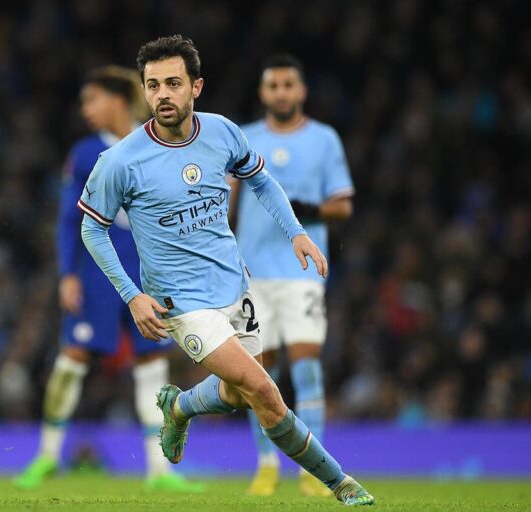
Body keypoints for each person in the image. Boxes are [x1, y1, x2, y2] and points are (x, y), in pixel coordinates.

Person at [77, 35, 374, 506]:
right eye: (153, 85)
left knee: (237, 396)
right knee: (262, 390)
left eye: (173, 83)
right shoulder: (119, 162)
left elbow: (260, 179)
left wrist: (296, 231)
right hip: (180, 302)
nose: (162, 95)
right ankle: (341, 483)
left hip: (236, 285)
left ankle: (178, 406)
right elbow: (91, 231)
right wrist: (132, 294)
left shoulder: (223, 132)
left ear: (196, 86)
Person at [14, 66, 202, 493]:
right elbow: (68, 217)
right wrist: (67, 274)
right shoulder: (83, 153)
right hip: (98, 274)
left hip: (149, 274)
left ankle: (159, 471)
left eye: (92, 100)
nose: (86, 110)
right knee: (71, 360)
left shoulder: (159, 141)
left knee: (151, 368)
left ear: (117, 100)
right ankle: (46, 457)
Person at [229, 54, 355, 497]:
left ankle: (309, 471)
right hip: (250, 274)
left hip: (302, 273)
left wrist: (311, 211)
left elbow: (343, 203)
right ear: (263, 93)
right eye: (273, 86)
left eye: (289, 85)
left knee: (305, 366)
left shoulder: (324, 139)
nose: (281, 92)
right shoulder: (244, 137)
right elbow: (226, 199)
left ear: (301, 92)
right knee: (255, 372)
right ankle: (265, 465)